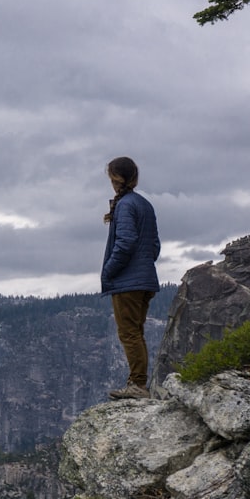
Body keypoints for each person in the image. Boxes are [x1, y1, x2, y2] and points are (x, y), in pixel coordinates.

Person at [100, 156, 160, 400]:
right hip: (145, 279)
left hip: (128, 282)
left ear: (115, 178)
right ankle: (139, 384)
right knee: (136, 332)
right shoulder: (144, 204)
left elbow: (125, 242)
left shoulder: (125, 205)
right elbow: (154, 246)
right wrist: (144, 266)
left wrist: (109, 271)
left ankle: (137, 385)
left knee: (129, 334)